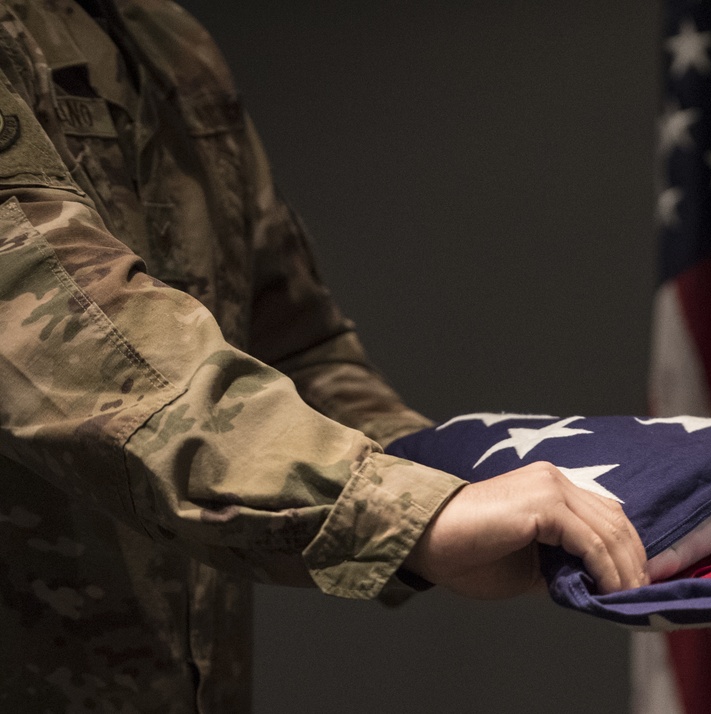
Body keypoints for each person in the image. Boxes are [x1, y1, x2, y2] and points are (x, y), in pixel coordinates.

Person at [0, 0, 648, 710]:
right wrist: (407, 512)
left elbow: (292, 342)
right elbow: (63, 326)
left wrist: (453, 483)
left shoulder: (164, 41)